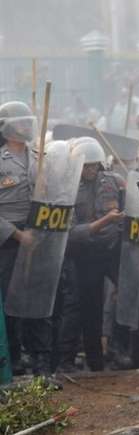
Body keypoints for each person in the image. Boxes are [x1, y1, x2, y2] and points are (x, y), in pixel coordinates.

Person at [61, 137, 125, 372]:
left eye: (94, 165)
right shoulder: (67, 189)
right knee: (89, 308)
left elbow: (130, 213)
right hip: (84, 254)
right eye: (86, 165)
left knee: (127, 298)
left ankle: (122, 351)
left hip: (112, 249)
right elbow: (72, 233)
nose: (90, 170)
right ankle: (92, 360)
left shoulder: (114, 182)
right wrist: (106, 220)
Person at [0, 101, 47, 376]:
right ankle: (14, 357)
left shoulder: (40, 157)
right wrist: (17, 235)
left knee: (38, 298)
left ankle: (40, 360)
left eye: (28, 121)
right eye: (21, 122)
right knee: (9, 301)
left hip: (38, 235)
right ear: (6, 128)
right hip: (8, 239)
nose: (27, 126)